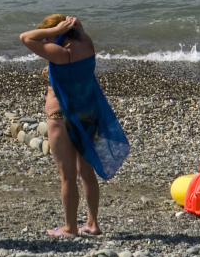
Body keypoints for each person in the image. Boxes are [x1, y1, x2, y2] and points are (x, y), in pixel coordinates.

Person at [20, 15, 129, 238]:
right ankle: (93, 223)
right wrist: (75, 28)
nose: (48, 40)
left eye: (50, 35)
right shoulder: (87, 45)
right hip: (88, 114)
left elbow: (26, 38)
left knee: (67, 176)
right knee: (87, 172)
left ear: (59, 33)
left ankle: (70, 227)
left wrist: (56, 30)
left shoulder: (62, 54)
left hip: (62, 117)